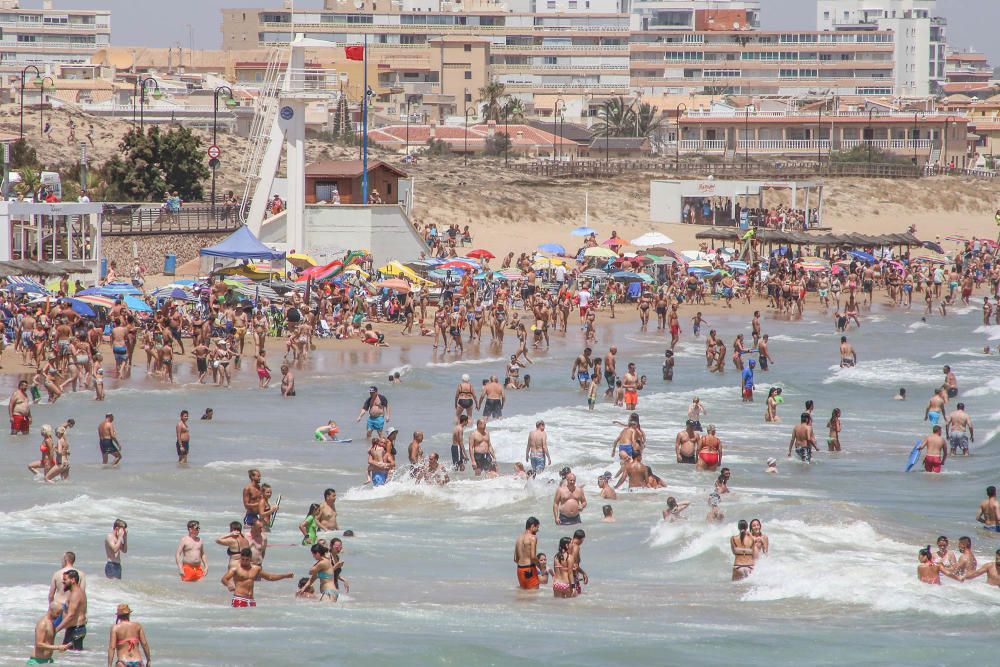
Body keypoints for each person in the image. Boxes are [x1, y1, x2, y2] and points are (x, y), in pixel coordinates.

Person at [221, 548, 294, 607]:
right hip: (239, 598)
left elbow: (270, 577)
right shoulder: (235, 568)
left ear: (250, 559)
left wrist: (285, 576)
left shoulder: (256, 569)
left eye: (247, 560)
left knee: (252, 623)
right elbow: (224, 579)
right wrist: (228, 584)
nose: (244, 562)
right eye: (243, 559)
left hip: (251, 600)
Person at [53, 569, 86, 651]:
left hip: (76, 630)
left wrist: (56, 630)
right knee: (68, 655)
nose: (63, 582)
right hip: (74, 629)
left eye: (65, 580)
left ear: (73, 580)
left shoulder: (76, 594)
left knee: (73, 658)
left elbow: (71, 615)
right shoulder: (73, 592)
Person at [514, 517, 540, 589]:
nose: (538, 530)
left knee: (524, 594)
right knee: (533, 595)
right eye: (537, 527)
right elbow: (533, 557)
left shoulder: (518, 538)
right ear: (532, 526)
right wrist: (540, 566)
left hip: (519, 570)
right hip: (529, 569)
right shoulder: (532, 538)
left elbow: (516, 559)